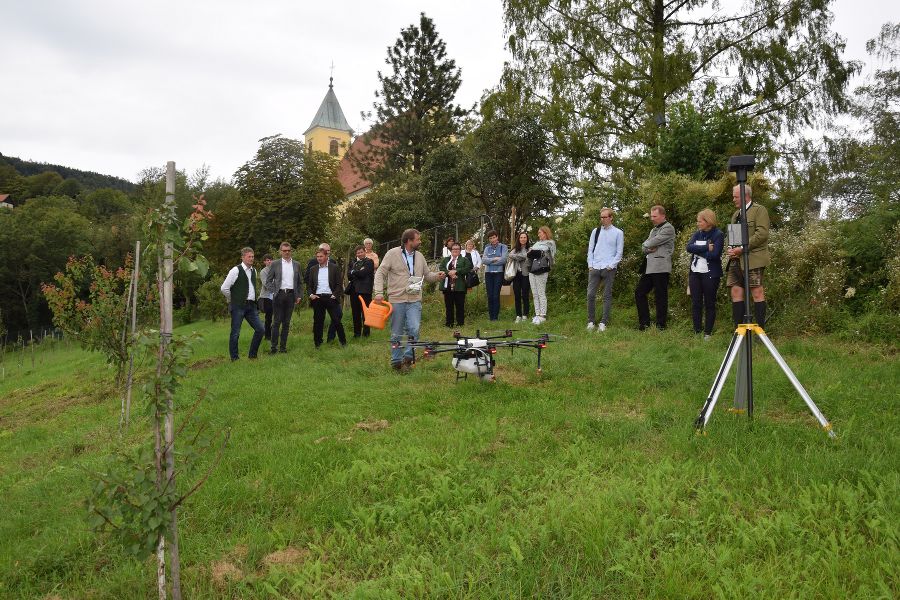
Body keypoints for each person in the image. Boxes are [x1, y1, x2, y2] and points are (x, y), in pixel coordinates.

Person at [372, 228, 445, 372]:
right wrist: (379, 292)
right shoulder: (392, 254)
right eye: (417, 239)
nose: (420, 242)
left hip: (414, 299)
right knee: (397, 332)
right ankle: (396, 362)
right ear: (409, 241)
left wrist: (437, 276)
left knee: (414, 328)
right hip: (397, 299)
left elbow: (427, 275)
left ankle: (408, 357)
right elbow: (380, 273)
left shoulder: (420, 256)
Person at [726, 183, 771, 327]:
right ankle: (738, 332)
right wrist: (730, 247)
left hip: (753, 259)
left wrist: (742, 248)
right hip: (736, 260)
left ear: (746, 196)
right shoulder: (736, 214)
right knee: (735, 292)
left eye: (736, 196)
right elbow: (732, 236)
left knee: (757, 293)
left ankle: (760, 332)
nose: (733, 199)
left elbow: (762, 234)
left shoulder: (759, 210)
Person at [635, 205, 676, 330]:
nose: (652, 218)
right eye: (651, 216)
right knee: (639, 292)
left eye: (655, 216)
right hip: (649, 267)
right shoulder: (653, 230)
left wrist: (646, 244)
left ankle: (661, 325)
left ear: (663, 216)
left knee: (660, 296)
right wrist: (646, 246)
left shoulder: (668, 228)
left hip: (661, 267)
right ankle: (644, 323)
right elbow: (644, 248)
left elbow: (652, 242)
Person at [220, 247, 265, 361]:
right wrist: (233, 299)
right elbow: (224, 288)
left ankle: (252, 355)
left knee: (261, 329)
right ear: (243, 257)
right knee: (235, 333)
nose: (251, 259)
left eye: (253, 256)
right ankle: (235, 359)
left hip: (251, 306)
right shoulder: (235, 270)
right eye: (249, 256)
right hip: (238, 306)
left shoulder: (254, 271)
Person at [686, 209, 725, 339]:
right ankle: (697, 331)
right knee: (696, 303)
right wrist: (705, 247)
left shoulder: (718, 234)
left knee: (709, 303)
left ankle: (707, 333)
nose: (698, 224)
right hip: (695, 273)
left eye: (700, 221)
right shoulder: (697, 234)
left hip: (710, 274)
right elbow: (688, 247)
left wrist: (697, 250)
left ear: (708, 221)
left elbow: (714, 255)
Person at [586, 207, 624, 332]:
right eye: (601, 217)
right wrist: (590, 265)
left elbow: (619, 252)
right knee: (590, 294)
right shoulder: (595, 231)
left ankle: (603, 322)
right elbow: (590, 249)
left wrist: (611, 266)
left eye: (605, 217)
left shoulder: (618, 232)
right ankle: (591, 321)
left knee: (606, 295)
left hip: (608, 267)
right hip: (595, 266)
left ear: (611, 217)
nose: (602, 219)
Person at [264, 241, 303, 353]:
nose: (286, 252)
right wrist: (275, 291)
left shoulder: (297, 264)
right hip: (279, 295)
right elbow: (268, 281)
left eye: (288, 250)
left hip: (291, 296)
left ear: (291, 251)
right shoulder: (275, 264)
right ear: (280, 252)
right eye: (284, 251)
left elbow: (300, 282)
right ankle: (273, 348)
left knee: (286, 323)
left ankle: (283, 348)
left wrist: (299, 295)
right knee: (276, 322)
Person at [305, 248, 347, 348]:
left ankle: (343, 342)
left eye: (321, 256)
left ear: (326, 256)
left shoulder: (334, 268)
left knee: (336, 320)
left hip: (331, 297)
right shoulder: (313, 269)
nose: (319, 258)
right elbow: (309, 285)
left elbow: (339, 284)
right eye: (317, 256)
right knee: (318, 321)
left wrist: (334, 295)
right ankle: (318, 344)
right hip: (317, 298)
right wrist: (311, 295)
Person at [527, 226, 556, 325]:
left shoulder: (550, 242)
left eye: (540, 232)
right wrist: (532, 252)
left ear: (545, 233)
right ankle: (537, 314)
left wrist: (533, 252)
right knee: (535, 293)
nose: (538, 234)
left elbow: (540, 252)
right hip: (533, 269)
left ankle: (543, 315)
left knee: (541, 292)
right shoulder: (537, 243)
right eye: (538, 233)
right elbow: (529, 254)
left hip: (542, 270)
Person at [439, 242, 472, 328]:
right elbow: (441, 267)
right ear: (451, 250)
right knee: (449, 305)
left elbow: (467, 268)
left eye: (457, 249)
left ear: (460, 250)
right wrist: (449, 272)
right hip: (448, 286)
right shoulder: (446, 259)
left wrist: (456, 271)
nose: (455, 251)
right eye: (453, 249)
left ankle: (460, 323)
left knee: (460, 305)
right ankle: (449, 323)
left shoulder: (464, 260)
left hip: (459, 286)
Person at [347, 245, 375, 338]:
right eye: (358, 253)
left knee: (366, 313)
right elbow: (349, 276)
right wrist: (356, 271)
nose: (360, 254)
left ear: (365, 252)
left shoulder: (369, 262)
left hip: (365, 291)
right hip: (354, 291)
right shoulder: (353, 262)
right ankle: (357, 334)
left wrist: (354, 271)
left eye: (361, 252)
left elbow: (363, 274)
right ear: (356, 254)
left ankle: (366, 334)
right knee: (355, 313)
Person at [482, 231, 508, 321]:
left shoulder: (503, 247)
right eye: (490, 238)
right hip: (488, 273)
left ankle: (495, 317)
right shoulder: (487, 248)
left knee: (496, 295)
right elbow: (484, 260)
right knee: (490, 295)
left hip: (498, 274)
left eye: (494, 237)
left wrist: (490, 261)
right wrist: (495, 259)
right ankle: (491, 316)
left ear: (497, 237)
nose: (492, 240)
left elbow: (504, 260)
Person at [508, 232, 532, 323]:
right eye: (521, 237)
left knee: (525, 295)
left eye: (524, 237)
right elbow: (510, 255)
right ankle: (518, 315)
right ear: (519, 239)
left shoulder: (530, 249)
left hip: (526, 274)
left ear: (527, 239)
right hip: (516, 275)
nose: (523, 239)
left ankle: (525, 314)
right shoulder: (515, 249)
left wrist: (517, 257)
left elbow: (527, 256)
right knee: (517, 295)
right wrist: (520, 256)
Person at [258, 254, 274, 340]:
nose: (269, 261)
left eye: (270, 260)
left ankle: (274, 333)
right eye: (267, 260)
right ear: (264, 262)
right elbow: (266, 284)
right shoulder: (263, 272)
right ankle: (267, 336)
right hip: (267, 297)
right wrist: (276, 288)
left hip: (276, 296)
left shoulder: (276, 270)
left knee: (277, 317)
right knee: (269, 317)